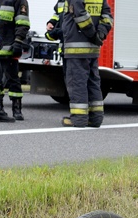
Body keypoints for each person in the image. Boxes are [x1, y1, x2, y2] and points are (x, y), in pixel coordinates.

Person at [60, 0, 112, 128]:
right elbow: (107, 16)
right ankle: (95, 119)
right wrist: (101, 32)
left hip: (76, 48)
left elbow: (80, 15)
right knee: (93, 82)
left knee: (77, 83)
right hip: (92, 49)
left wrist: (93, 35)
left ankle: (79, 118)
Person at [0, 0, 30, 120]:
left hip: (10, 47)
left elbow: (23, 22)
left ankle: (17, 109)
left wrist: (18, 41)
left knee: (13, 78)